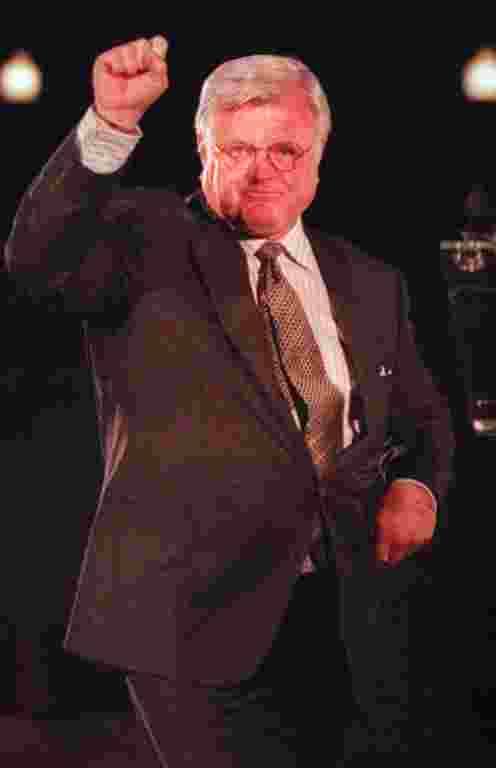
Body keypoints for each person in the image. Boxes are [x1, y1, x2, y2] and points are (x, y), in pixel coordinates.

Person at [4, 35, 454, 765]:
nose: (261, 170)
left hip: (343, 613)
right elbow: (37, 257)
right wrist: (111, 123)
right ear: (203, 151)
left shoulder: (371, 280)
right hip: (186, 616)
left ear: (318, 157)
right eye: (237, 149)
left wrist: (416, 484)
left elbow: (422, 417)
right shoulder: (147, 244)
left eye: (285, 151)